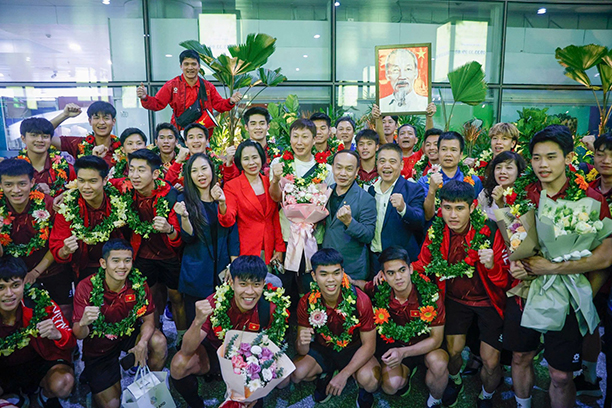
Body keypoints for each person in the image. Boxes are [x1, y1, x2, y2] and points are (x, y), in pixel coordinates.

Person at [506, 125, 612, 408]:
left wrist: (551, 269)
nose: (543, 164)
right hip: (524, 293)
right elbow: (513, 239)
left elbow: (605, 258)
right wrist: (514, 264)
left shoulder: (591, 200)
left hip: (568, 298)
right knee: (520, 356)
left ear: (568, 158)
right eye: (536, 157)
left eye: (551, 157)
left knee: (561, 375)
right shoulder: (522, 195)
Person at [412, 180, 510, 408]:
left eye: (459, 208)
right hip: (454, 300)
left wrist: (492, 266)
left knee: (491, 361)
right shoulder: (436, 230)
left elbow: (506, 280)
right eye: (447, 208)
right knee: (453, 351)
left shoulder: (491, 230)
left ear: (472, 207)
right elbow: (422, 264)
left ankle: (486, 395)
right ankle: (455, 381)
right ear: (440, 207)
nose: (453, 215)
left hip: (488, 301)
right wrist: (400, 272)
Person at [169, 256, 289, 408]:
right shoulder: (216, 302)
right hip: (217, 354)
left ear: (263, 284)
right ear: (231, 283)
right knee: (179, 364)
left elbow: (270, 353)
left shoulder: (270, 308)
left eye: (256, 284)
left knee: (283, 380)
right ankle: (196, 405)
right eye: (243, 284)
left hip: (251, 361)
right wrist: (197, 321)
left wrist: (257, 388)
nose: (249, 292)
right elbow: (186, 350)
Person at [72, 239, 166, 408]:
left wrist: (143, 342)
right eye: (115, 261)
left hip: (128, 335)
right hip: (99, 347)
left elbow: (149, 318)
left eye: (127, 260)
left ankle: (147, 388)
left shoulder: (138, 283)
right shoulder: (86, 287)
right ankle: (99, 386)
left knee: (158, 342)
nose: (122, 266)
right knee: (112, 404)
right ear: (103, 263)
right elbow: (79, 334)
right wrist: (83, 323)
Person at [353, 246, 448, 408]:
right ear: (383, 276)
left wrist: (404, 353)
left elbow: (436, 339)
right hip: (396, 346)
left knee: (438, 363)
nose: (398, 277)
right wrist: (352, 281)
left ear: (410, 269)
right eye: (391, 273)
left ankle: (435, 400)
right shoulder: (380, 288)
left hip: (426, 346)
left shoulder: (429, 294)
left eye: (402, 270)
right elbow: (364, 286)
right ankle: (407, 374)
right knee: (391, 387)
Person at [291, 249, 378, 408]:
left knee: (371, 381)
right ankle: (327, 373)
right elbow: (301, 350)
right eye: (324, 274)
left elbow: (370, 346)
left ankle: (353, 379)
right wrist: (302, 342)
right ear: (314, 276)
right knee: (297, 374)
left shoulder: (360, 300)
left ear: (343, 273)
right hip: (323, 348)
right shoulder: (306, 302)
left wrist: (344, 375)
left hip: (353, 348)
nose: (331, 280)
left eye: (336, 273)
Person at [111, 149, 185, 331]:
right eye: (132, 169)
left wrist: (168, 229)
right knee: (149, 296)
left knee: (176, 297)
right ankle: (156, 334)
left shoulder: (169, 195)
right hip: (143, 253)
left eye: (141, 170)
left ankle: (181, 336)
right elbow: (102, 183)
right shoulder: (127, 189)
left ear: (155, 173)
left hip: (169, 254)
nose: (135, 175)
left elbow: (179, 238)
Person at [269, 119, 334, 299]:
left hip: (314, 238)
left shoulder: (326, 169)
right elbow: (275, 198)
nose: (299, 142)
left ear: (314, 139)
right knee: (284, 290)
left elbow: (328, 203)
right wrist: (275, 179)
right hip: (286, 237)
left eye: (305, 137)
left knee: (310, 288)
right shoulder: (279, 163)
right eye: (295, 136)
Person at [0, 159, 73, 319]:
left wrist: (35, 272)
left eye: (22, 184)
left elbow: (57, 243)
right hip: (11, 276)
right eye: (9, 185)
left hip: (51, 269)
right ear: (1, 185)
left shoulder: (49, 204)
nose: (16, 190)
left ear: (32, 182)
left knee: (63, 315)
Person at [0, 256, 76, 408]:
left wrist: (58, 334)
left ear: (24, 284)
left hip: (39, 363)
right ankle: (10, 399)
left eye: (15, 285)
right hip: (4, 370)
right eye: (1, 287)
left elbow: (71, 341)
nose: (9, 293)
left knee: (64, 382)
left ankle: (42, 398)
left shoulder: (40, 303)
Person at [173, 153, 240, 325]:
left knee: (222, 322)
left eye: (204, 168)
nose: (200, 174)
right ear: (189, 175)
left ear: (212, 170)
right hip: (197, 273)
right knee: (197, 324)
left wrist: (234, 265)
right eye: (194, 171)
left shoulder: (223, 196)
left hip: (223, 271)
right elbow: (188, 237)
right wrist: (185, 217)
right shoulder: (183, 199)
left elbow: (232, 234)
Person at [50, 156, 127, 283]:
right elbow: (57, 246)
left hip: (120, 264)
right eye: (81, 181)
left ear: (105, 180)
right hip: (84, 267)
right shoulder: (68, 206)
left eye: (92, 181)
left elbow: (133, 182)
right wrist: (65, 250)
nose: (86, 187)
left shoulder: (118, 194)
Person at [137, 49, 242, 132]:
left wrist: (230, 101)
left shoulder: (208, 86)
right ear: (181, 66)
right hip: (179, 133)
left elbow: (219, 105)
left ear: (199, 66)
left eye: (193, 64)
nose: (190, 67)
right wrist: (145, 97)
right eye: (186, 64)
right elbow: (157, 104)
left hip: (202, 134)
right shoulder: (172, 85)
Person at [216, 140, 285, 264]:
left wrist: (279, 248)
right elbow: (228, 220)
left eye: (255, 157)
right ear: (240, 162)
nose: (251, 163)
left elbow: (275, 217)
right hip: (246, 251)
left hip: (270, 250)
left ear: (261, 158)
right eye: (246, 159)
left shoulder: (269, 182)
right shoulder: (232, 186)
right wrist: (222, 203)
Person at [368, 143, 425, 274]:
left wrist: (403, 208)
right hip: (374, 261)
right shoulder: (371, 190)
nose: (386, 165)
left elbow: (420, 221)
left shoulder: (413, 189)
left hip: (400, 263)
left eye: (392, 161)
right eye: (382, 161)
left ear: (401, 165)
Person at [322, 150, 376, 280]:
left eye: (349, 169)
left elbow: (368, 235)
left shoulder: (366, 199)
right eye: (339, 167)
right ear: (332, 168)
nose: (343, 173)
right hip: (325, 264)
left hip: (351, 267)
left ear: (357, 171)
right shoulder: (324, 192)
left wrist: (349, 222)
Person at [418, 131, 483, 220]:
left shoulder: (474, 180)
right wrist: (432, 191)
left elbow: (478, 215)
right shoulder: (425, 181)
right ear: (438, 152)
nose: (448, 154)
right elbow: (427, 216)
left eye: (453, 150)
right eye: (444, 149)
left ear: (460, 155)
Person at [50, 101, 122, 168]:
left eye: (106, 118)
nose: (101, 122)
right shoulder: (78, 144)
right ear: (90, 121)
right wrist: (64, 115)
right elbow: (45, 135)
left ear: (113, 121)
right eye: (96, 118)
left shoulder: (123, 147)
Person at [17, 117, 75, 197]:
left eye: (45, 136)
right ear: (23, 138)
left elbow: (76, 193)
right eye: (34, 135)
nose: (40, 140)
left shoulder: (67, 168)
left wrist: (65, 195)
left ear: (51, 140)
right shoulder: (12, 168)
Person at [478, 151, 527, 220]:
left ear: (519, 171)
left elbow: (515, 225)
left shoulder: (524, 195)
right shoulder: (486, 193)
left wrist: (501, 204)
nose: (502, 172)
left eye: (509, 168)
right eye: (498, 167)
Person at [379, 48, 428, 113]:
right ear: (387, 74)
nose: (402, 77)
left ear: (416, 73)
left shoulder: (425, 104)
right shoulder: (381, 105)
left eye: (408, 69)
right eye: (395, 70)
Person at [164, 123, 207, 188]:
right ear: (186, 143)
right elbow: (166, 185)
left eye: (200, 137)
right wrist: (178, 161)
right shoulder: (180, 164)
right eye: (191, 137)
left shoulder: (216, 162)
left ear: (207, 141)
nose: (196, 141)